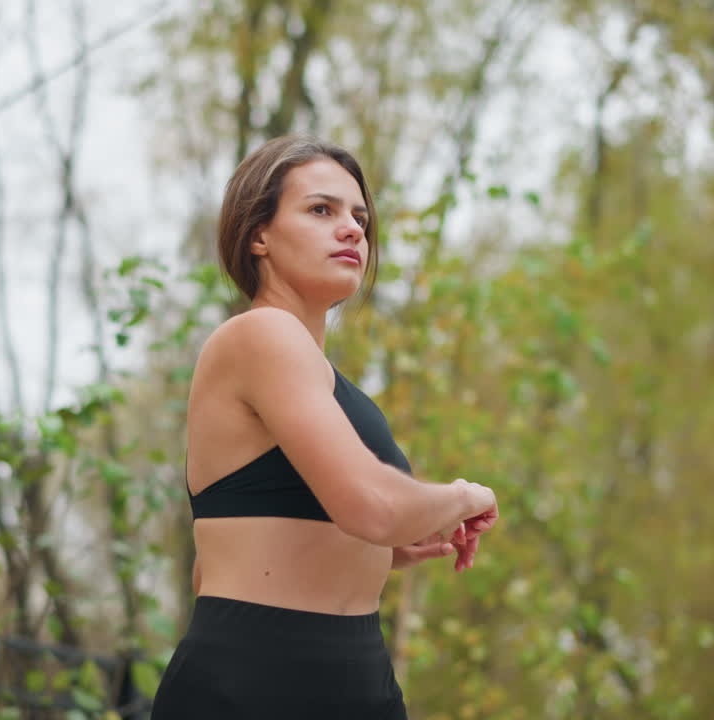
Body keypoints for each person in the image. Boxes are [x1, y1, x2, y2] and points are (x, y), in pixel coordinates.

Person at [149, 135, 499, 719]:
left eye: (359, 217)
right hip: (260, 682)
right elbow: (373, 506)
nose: (353, 230)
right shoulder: (261, 334)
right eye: (321, 210)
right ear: (258, 234)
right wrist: (466, 496)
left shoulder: (323, 377)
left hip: (356, 674)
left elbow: (234, 547)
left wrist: (379, 552)